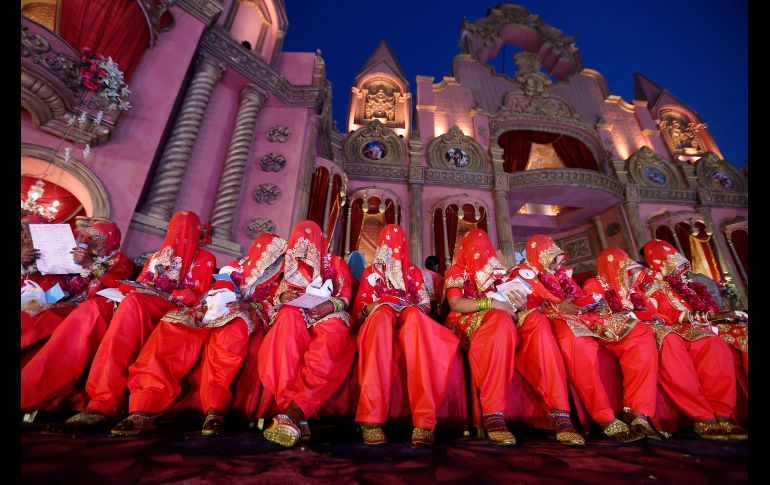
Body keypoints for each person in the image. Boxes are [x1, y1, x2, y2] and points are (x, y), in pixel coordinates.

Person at [40, 210, 216, 432]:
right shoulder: (155, 258)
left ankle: (108, 403)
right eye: (173, 229)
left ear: (196, 232)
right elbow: (140, 282)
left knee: (133, 304)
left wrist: (163, 292)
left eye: (185, 230)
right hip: (142, 303)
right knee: (121, 306)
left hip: (171, 305)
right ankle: (101, 403)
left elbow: (196, 295)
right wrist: (135, 287)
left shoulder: (204, 258)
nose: (178, 235)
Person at [110, 233, 287, 436]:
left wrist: (248, 305)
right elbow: (209, 291)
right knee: (175, 322)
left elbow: (276, 304)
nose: (265, 255)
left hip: (250, 315)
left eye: (272, 251)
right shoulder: (236, 266)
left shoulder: (281, 275)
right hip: (213, 310)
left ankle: (215, 409)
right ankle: (144, 407)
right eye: (261, 249)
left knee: (233, 328)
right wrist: (215, 297)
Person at [585, 247, 745, 440]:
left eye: (631, 270)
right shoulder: (595, 285)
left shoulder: (638, 288)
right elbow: (597, 316)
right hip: (625, 333)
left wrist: (658, 318)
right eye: (624, 270)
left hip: (664, 326)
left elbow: (659, 312)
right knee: (669, 341)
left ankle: (723, 413)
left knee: (711, 341)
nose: (630, 275)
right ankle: (703, 416)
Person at [444, 229, 583, 446]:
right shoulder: (457, 270)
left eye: (485, 248)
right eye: (475, 248)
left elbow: (514, 300)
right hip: (469, 319)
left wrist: (517, 304)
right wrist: (490, 304)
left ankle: (559, 412)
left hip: (506, 315)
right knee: (499, 320)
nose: (481, 253)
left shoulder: (500, 272)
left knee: (537, 321)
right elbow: (456, 304)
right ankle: (493, 414)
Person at [525, 234, 659, 442]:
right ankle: (603, 416)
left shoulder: (564, 277)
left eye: (556, 257)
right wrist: (562, 305)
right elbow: (532, 305)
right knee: (580, 344)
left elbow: (578, 298)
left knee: (640, 332)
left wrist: (595, 304)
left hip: (589, 317)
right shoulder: (523, 273)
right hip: (554, 320)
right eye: (549, 256)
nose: (554, 261)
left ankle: (637, 413)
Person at [351, 224, 460, 446]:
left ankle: (424, 419)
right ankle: (371, 418)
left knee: (415, 317)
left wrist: (408, 306)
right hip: (379, 323)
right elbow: (360, 308)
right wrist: (374, 307)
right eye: (388, 243)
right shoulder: (371, 273)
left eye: (398, 243)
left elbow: (424, 303)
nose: (393, 248)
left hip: (408, 319)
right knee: (381, 316)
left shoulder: (412, 271)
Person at [258, 221, 356, 448]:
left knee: (333, 335)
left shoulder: (335, 262)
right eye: (299, 242)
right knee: (285, 323)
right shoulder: (290, 265)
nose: (303, 248)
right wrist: (284, 299)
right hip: (297, 311)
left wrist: (329, 306)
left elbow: (345, 296)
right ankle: (292, 414)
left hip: (326, 312)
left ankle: (293, 413)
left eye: (308, 242)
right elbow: (277, 296)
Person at [643, 239, 748, 438]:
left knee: (742, 331)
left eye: (680, 264)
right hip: (678, 328)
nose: (679, 269)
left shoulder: (690, 284)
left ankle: (724, 415)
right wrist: (709, 317)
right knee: (710, 343)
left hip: (703, 325)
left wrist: (721, 315)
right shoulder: (652, 286)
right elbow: (671, 314)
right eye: (670, 262)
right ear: (658, 263)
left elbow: (707, 307)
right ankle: (705, 417)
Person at [21, 220, 133, 353]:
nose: (90, 241)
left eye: (96, 237)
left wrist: (91, 264)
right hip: (62, 295)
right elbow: (64, 280)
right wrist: (46, 296)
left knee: (44, 314)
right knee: (28, 307)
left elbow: (118, 284)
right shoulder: (82, 253)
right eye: (88, 236)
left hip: (85, 306)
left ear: (110, 240)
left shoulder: (120, 260)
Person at [421, 255, 445, 320]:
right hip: (433, 308)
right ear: (436, 266)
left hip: (419, 307)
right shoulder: (439, 278)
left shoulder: (419, 273)